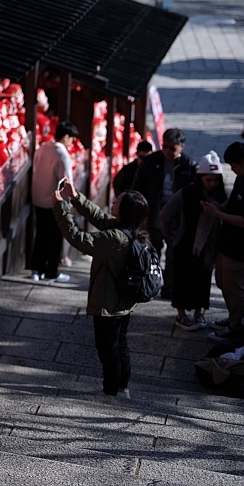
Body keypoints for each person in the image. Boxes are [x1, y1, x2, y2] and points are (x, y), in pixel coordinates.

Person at [54, 180, 149, 398]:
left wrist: (61, 208)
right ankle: (122, 387)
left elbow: (79, 239)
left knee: (108, 349)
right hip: (124, 300)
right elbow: (98, 216)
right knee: (120, 344)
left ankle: (110, 392)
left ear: (124, 210)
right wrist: (75, 197)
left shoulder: (115, 238)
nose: (113, 201)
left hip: (109, 303)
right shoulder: (133, 230)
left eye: (117, 201)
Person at [160, 152, 227, 331]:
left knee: (203, 280)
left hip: (208, 247)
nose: (212, 184)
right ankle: (181, 315)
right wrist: (173, 236)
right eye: (208, 180)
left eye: (215, 180)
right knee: (182, 279)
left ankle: (200, 312)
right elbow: (165, 215)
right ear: (200, 178)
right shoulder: (187, 193)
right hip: (185, 243)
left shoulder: (221, 197)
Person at [135, 128, 197, 299]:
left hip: (176, 219)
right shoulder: (151, 162)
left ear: (181, 147)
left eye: (172, 148)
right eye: (165, 146)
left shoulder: (188, 165)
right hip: (153, 214)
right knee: (151, 253)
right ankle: (150, 284)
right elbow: (138, 186)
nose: (168, 151)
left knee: (173, 256)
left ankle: (169, 288)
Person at [200, 142, 244, 344]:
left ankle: (236, 327)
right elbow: (233, 204)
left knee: (235, 287)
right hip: (227, 241)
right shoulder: (241, 177)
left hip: (242, 248)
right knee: (222, 282)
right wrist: (219, 206)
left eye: (234, 166)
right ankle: (233, 318)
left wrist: (218, 213)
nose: (232, 170)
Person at [31, 120, 79, 283]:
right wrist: (70, 203)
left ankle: (37, 269)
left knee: (40, 236)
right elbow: (66, 183)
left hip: (38, 198)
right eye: (71, 139)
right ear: (66, 137)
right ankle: (51, 271)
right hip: (54, 202)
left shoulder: (43, 147)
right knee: (55, 238)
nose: (71, 142)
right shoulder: (63, 154)